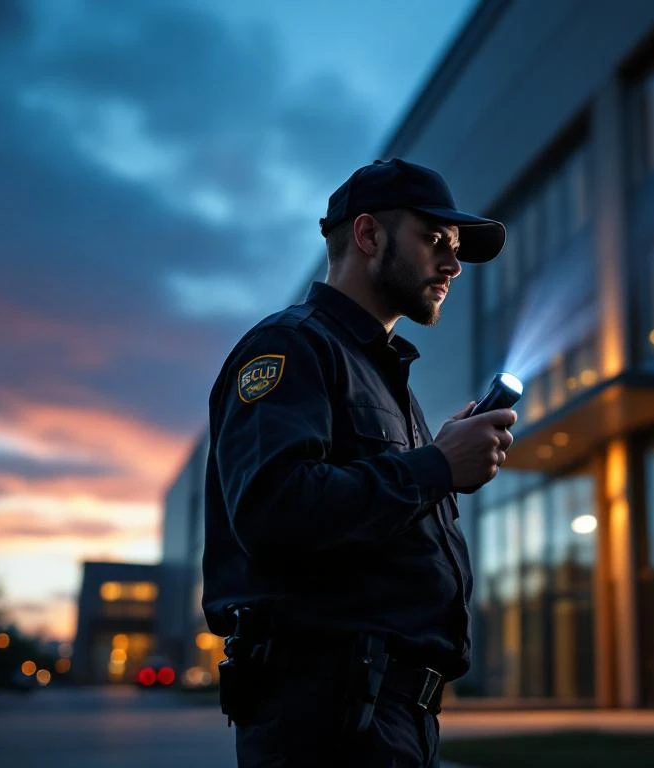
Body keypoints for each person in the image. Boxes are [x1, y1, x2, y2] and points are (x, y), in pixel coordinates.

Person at [201, 158, 516, 767]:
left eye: (455, 247)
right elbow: (273, 509)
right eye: (434, 240)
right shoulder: (291, 346)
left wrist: (439, 461)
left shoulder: (385, 376)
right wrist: (436, 468)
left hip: (386, 717)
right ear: (369, 235)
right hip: (328, 719)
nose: (452, 263)